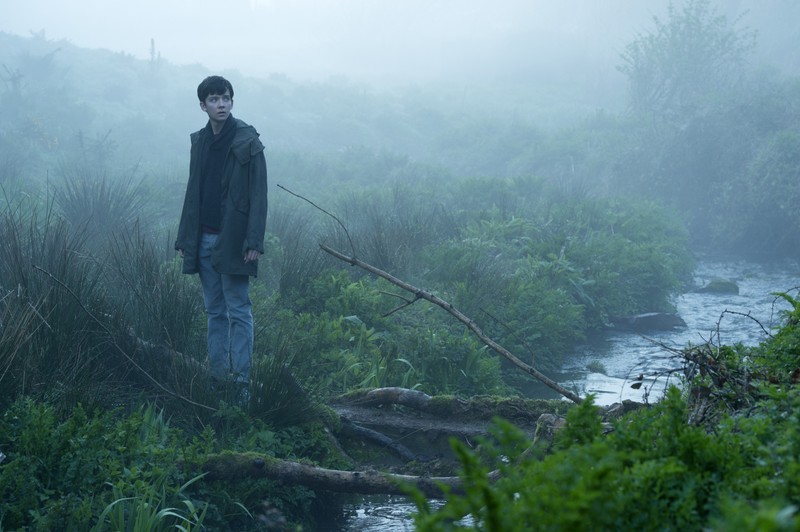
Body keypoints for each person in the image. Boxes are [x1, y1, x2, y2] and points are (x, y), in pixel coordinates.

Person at [175, 75, 268, 392]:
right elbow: (193, 193)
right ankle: (218, 378)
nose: (221, 104)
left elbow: (259, 195)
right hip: (202, 239)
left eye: (226, 98)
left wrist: (253, 241)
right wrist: (185, 239)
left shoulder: (248, 140)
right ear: (203, 105)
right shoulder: (200, 141)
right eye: (214, 99)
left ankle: (242, 384)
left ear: (232, 101)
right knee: (215, 311)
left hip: (234, 240)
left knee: (239, 311)